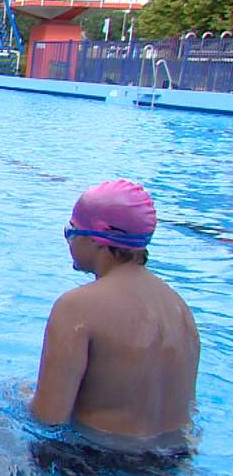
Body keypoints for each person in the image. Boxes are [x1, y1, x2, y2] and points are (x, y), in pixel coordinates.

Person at [30, 179, 199, 442]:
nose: (68, 240)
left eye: (70, 230)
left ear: (96, 238)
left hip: (96, 458)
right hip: (175, 457)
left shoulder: (76, 308)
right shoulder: (180, 309)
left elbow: (48, 420)